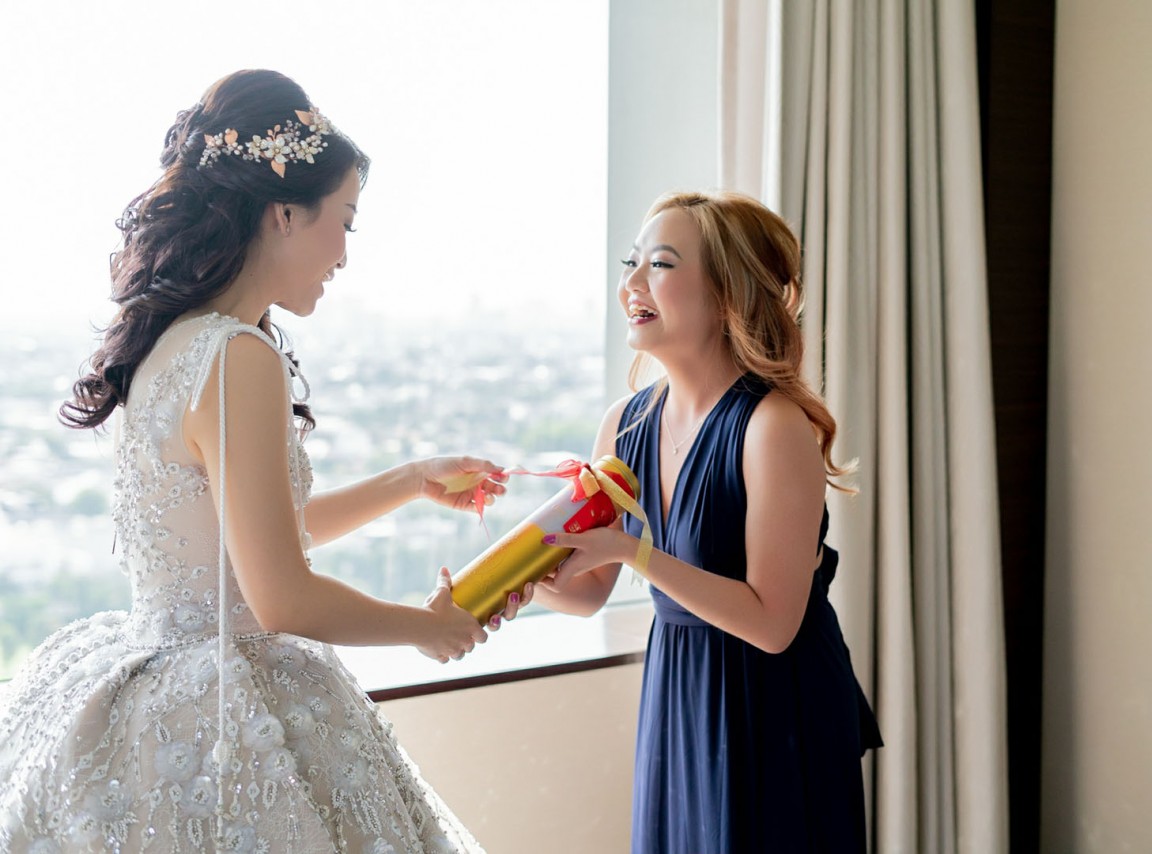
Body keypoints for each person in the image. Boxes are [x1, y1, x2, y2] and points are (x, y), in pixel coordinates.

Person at [0, 69, 528, 853]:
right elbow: (279, 594)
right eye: (346, 221)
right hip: (223, 705)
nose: (345, 253)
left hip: (150, 686)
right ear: (284, 212)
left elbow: (244, 537)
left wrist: (408, 480)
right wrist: (427, 627)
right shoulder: (237, 356)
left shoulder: (168, 344)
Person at [536, 190, 884, 853]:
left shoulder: (772, 426)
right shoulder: (624, 425)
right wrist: (515, 580)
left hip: (775, 708)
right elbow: (585, 593)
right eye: (631, 262)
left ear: (728, 295)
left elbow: (773, 625)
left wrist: (630, 552)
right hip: (679, 698)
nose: (632, 284)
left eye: (661, 264)